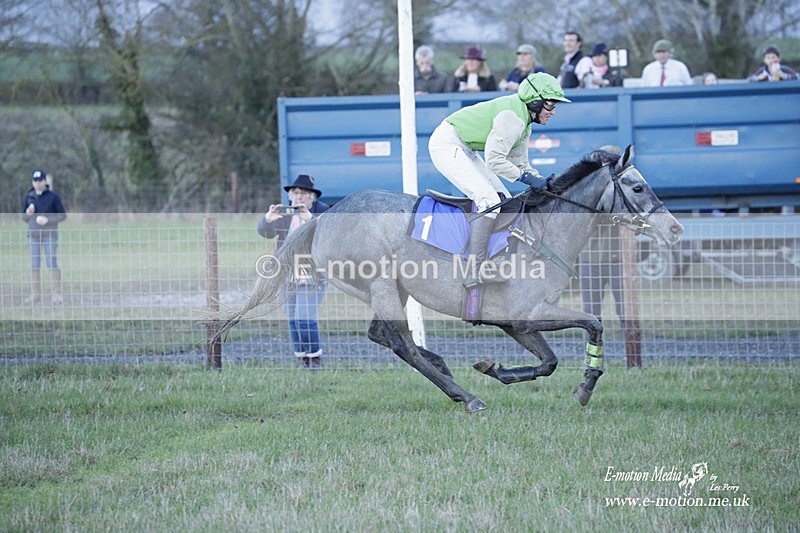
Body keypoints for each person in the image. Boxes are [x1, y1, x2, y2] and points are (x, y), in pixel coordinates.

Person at [429, 72, 570, 286]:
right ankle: (474, 270)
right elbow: (494, 161)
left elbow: (519, 163)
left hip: (464, 146)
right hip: (447, 144)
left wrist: (542, 181)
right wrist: (527, 179)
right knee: (490, 201)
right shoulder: (512, 118)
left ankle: (494, 260)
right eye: (550, 105)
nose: (554, 112)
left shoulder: (525, 121)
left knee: (504, 199)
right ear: (535, 102)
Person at [258, 174, 331, 369]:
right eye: (295, 193)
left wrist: (311, 219)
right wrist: (268, 219)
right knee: (292, 318)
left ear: (312, 196)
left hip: (313, 273)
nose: (298, 197)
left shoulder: (323, 211)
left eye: (303, 193)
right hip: (287, 273)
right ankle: (301, 359)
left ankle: (315, 360)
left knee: (304, 316)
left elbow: (330, 235)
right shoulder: (285, 212)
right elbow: (265, 233)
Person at [579, 146, 624, 331]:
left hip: (618, 261)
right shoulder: (587, 187)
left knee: (625, 309)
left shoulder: (623, 188)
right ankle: (593, 354)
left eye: (608, 162)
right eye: (601, 161)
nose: (604, 165)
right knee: (591, 312)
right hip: (590, 260)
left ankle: (632, 351)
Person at [21, 169, 67, 305]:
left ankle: (56, 294)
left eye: (40, 180)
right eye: (35, 181)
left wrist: (48, 220)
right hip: (33, 235)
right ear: (32, 182)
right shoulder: (29, 197)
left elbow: (62, 215)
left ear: (45, 181)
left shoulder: (53, 196)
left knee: (51, 262)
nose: (37, 183)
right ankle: (35, 295)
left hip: (49, 235)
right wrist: (28, 214)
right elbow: (23, 217)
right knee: (34, 265)